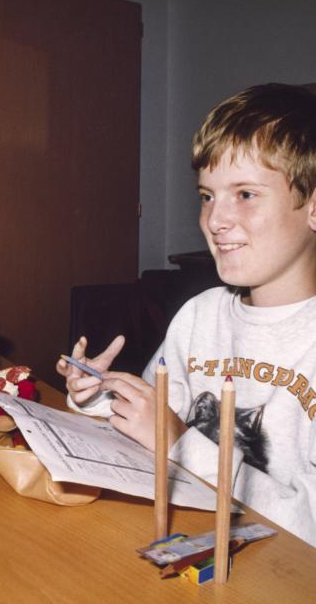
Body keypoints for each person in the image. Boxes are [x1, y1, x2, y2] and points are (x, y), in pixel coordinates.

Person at [57, 83, 316, 546]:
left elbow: (309, 530)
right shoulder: (200, 315)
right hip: (193, 538)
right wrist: (97, 397)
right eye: (207, 195)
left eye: (246, 194)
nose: (215, 220)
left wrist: (179, 442)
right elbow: (153, 424)